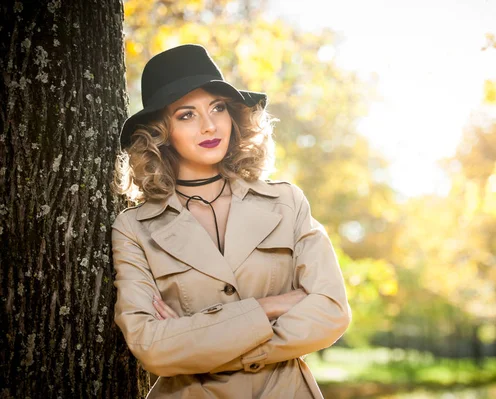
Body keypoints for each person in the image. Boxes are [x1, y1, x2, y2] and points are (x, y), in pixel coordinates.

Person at [110, 44, 351, 398]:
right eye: (186, 115)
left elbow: (331, 312)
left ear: (233, 115)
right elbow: (152, 347)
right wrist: (269, 307)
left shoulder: (287, 202)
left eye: (217, 108)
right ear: (160, 132)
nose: (209, 125)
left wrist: (198, 342)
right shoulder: (134, 228)